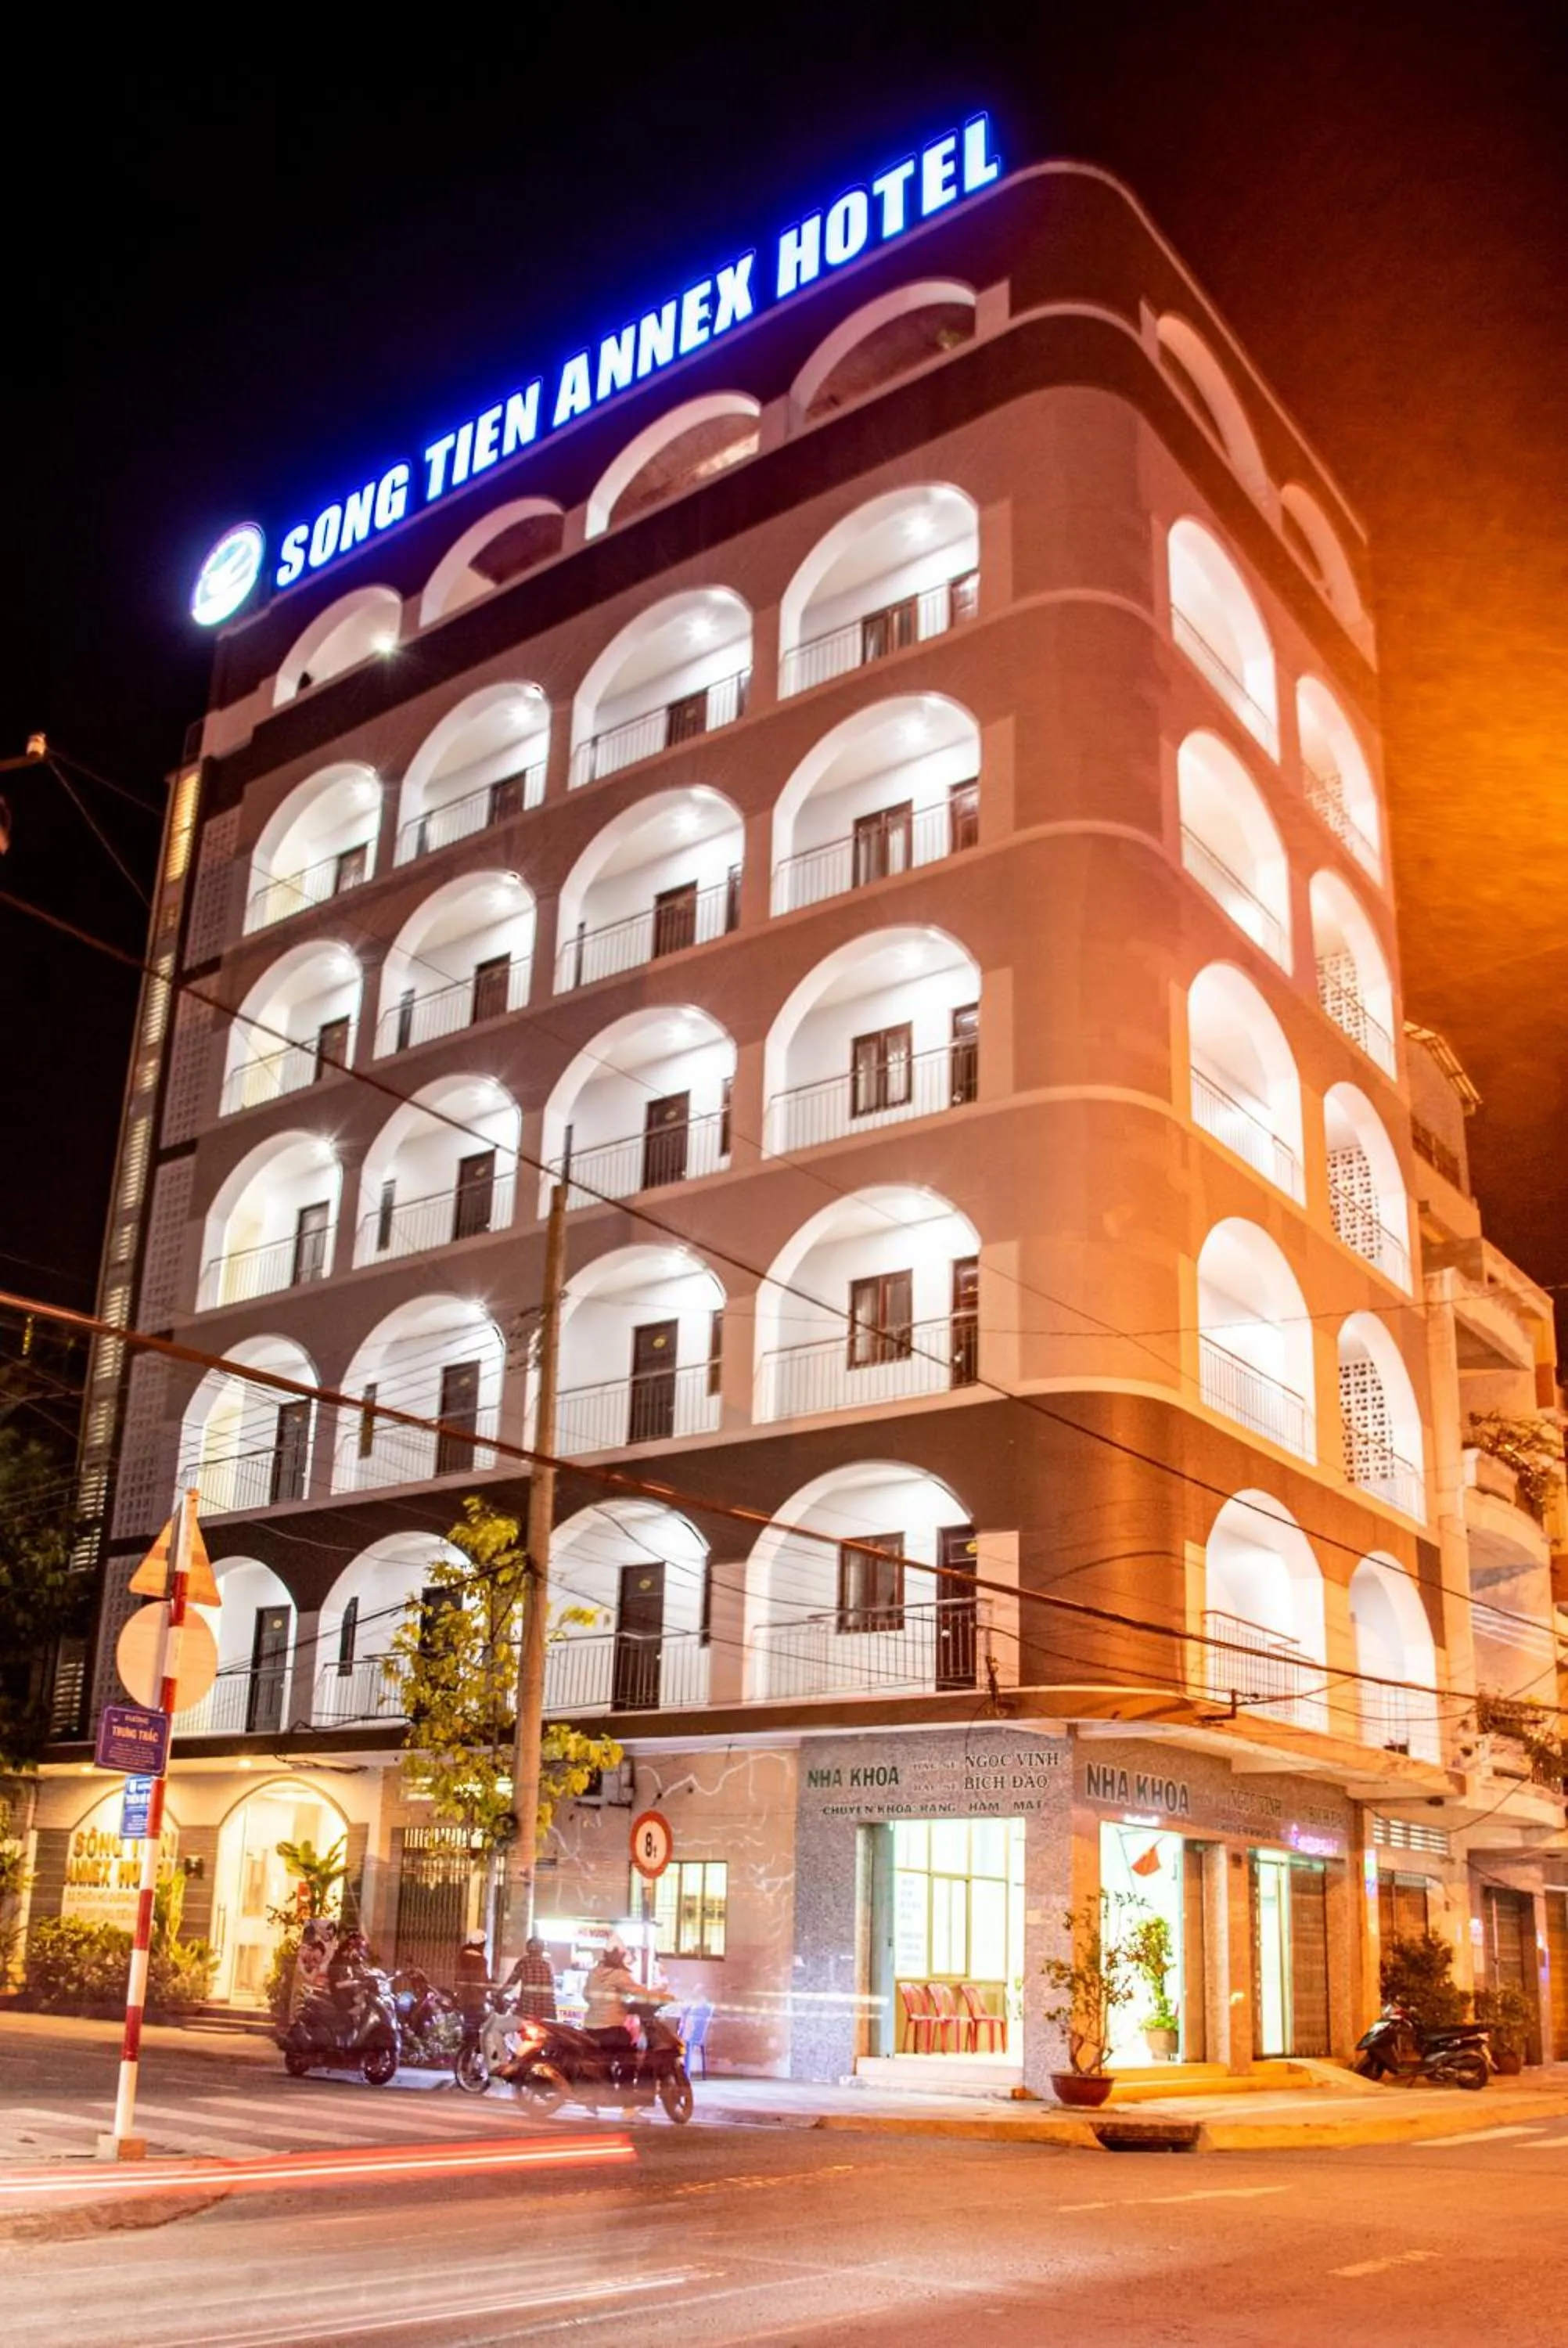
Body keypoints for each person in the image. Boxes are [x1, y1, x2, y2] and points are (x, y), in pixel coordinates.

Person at [582, 1940, 642, 2062]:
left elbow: (586, 1996)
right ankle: (626, 2080)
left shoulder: (594, 1972)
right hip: (611, 2028)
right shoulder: (619, 1974)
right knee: (630, 2057)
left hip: (590, 2027)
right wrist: (661, 1997)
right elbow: (638, 1991)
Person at [502, 1935, 558, 2023]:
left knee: (513, 2030)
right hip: (548, 2014)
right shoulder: (548, 1965)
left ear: (527, 1949)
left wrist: (499, 1994)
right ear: (542, 1949)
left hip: (527, 2012)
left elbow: (511, 1983)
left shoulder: (524, 1962)